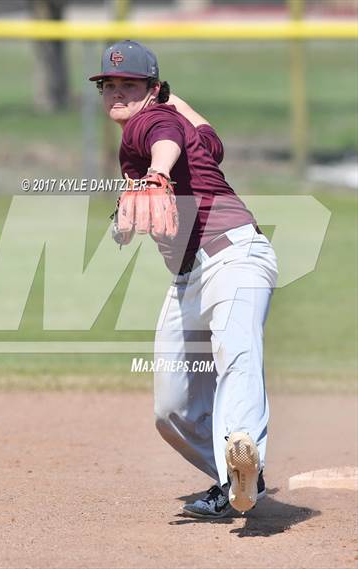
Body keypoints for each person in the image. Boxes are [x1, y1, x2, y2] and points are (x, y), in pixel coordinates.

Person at [89, 40, 278, 519]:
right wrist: (170, 98)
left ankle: (241, 442)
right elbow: (209, 139)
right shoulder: (174, 125)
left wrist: (156, 171)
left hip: (234, 257)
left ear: (151, 91)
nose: (116, 93)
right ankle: (236, 472)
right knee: (171, 408)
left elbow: (165, 134)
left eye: (128, 84)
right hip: (189, 277)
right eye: (108, 84)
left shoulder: (148, 125)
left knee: (237, 353)